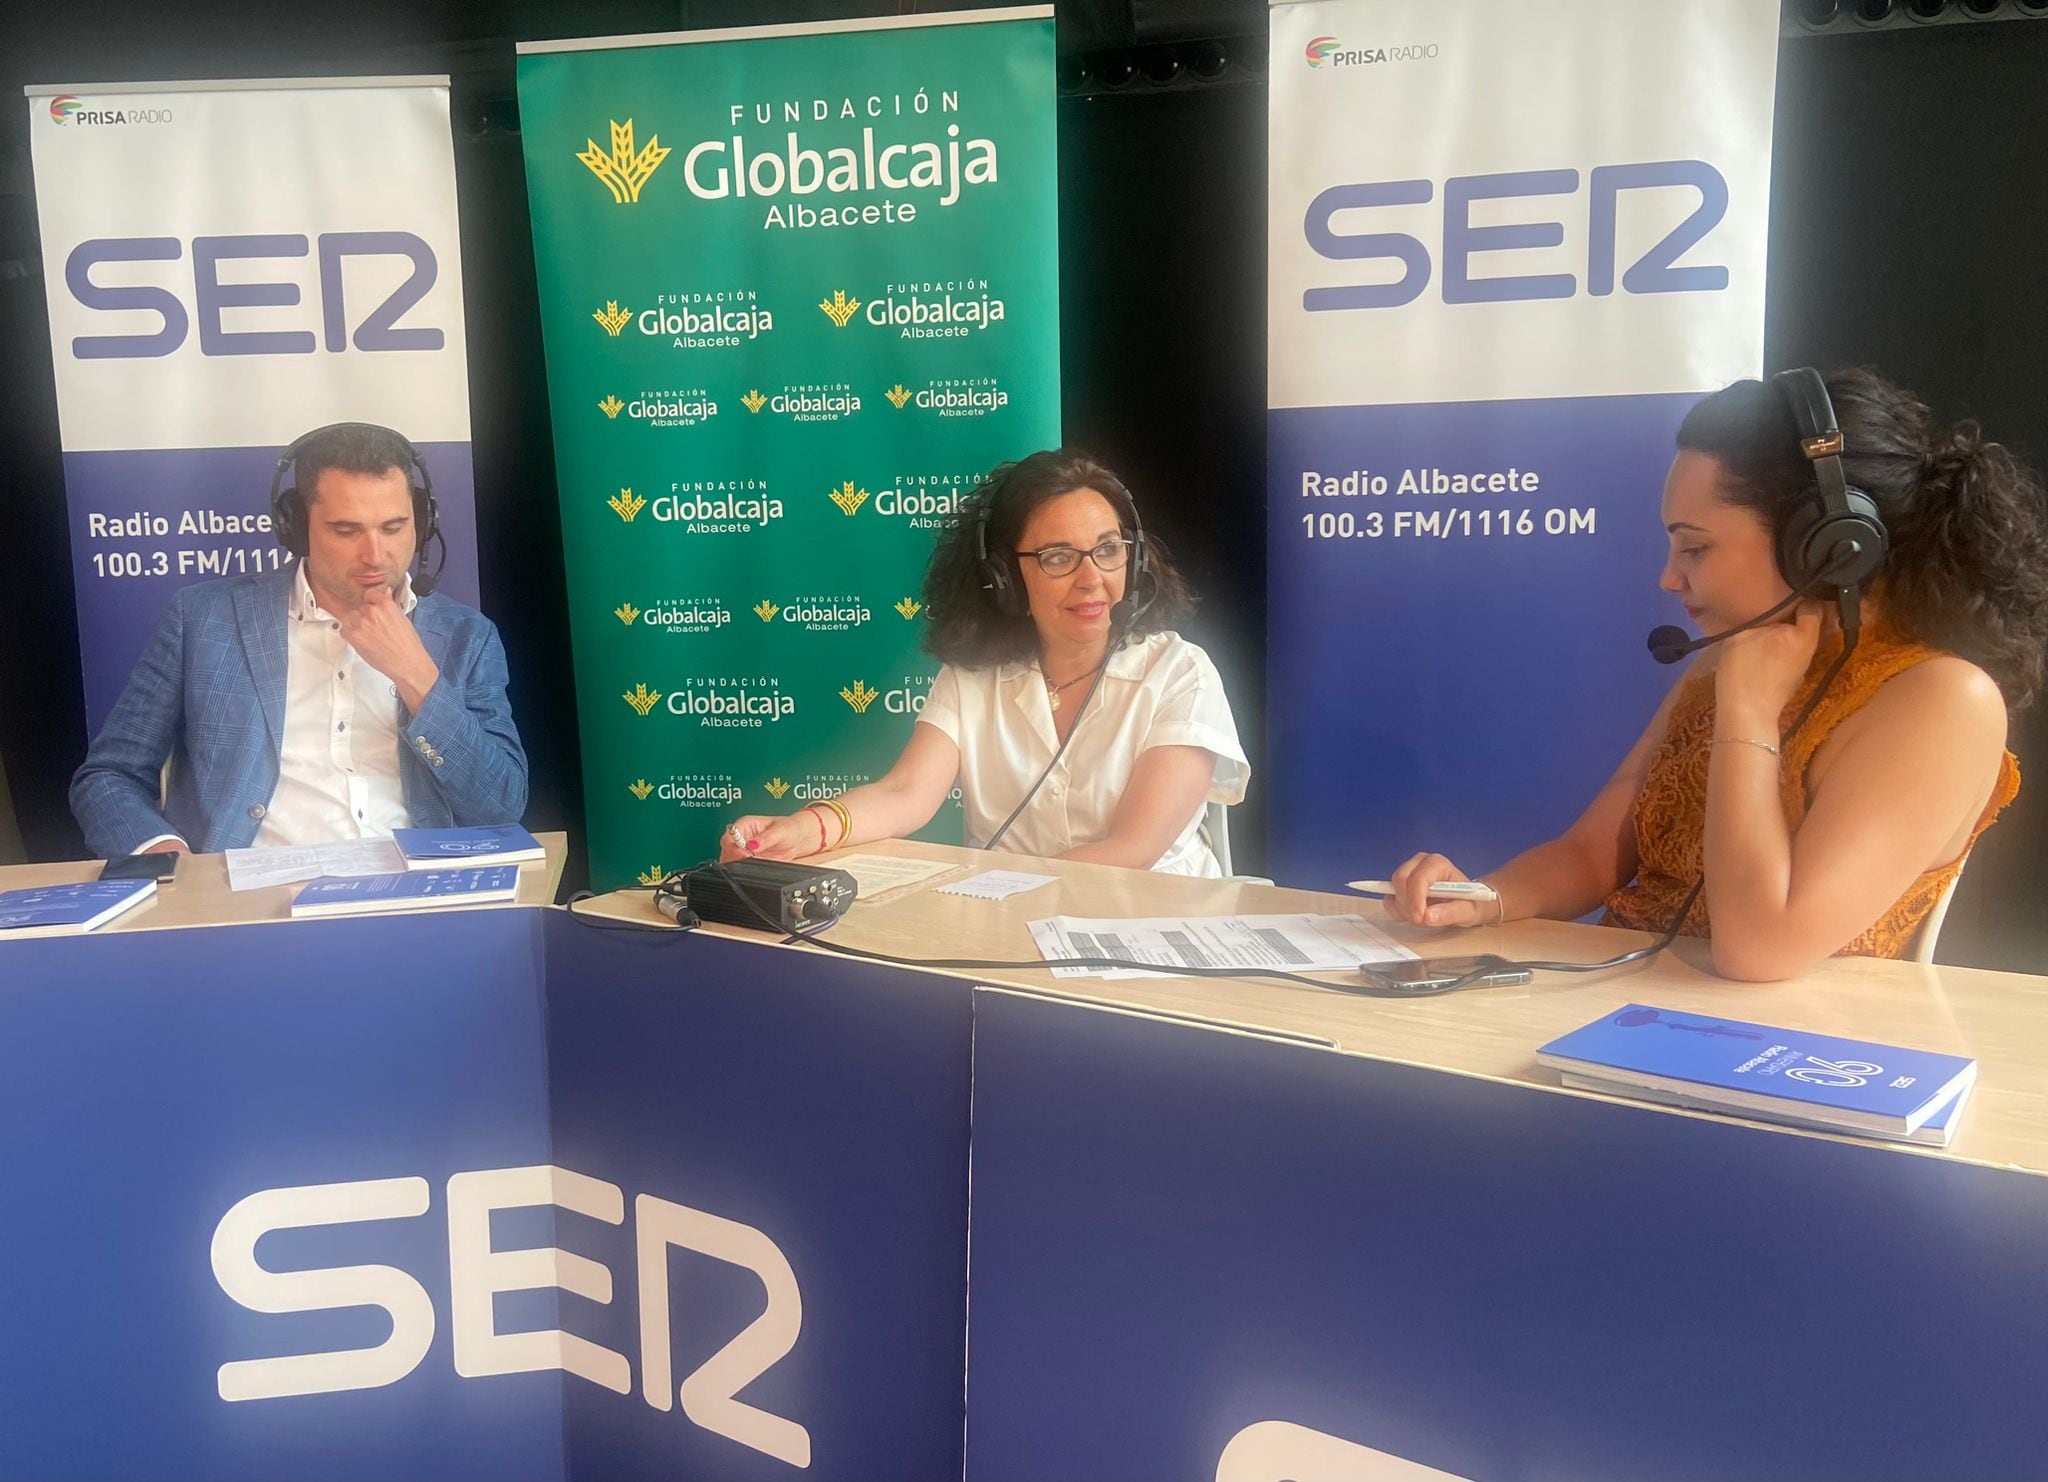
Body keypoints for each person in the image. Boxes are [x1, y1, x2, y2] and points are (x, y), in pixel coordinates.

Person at [1384, 367, 2048, 980]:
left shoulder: (1943, 700)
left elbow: (1761, 947)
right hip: (1631, 1008)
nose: (1669, 578)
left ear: (1825, 542)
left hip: (1783, 1065)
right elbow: (1592, 854)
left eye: (1696, 547)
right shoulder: (1736, 656)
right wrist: (1482, 899)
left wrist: (1750, 714)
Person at [722, 450, 1249, 876]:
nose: (1092, 579)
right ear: (1004, 576)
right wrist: (804, 828)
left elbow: (1131, 849)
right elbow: (905, 793)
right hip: (1006, 925)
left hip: (1149, 927)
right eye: (1058, 557)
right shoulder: (974, 675)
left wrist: (990, 901)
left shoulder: (1181, 673)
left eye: (1108, 550)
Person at [70, 422, 527, 858]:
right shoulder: (203, 619)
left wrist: (417, 675)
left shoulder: (467, 635)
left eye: (393, 528)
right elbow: (110, 775)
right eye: (347, 531)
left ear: (421, 522)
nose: (375, 555)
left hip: (415, 892)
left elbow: (500, 805)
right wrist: (164, 853)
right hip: (252, 902)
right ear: (295, 526)